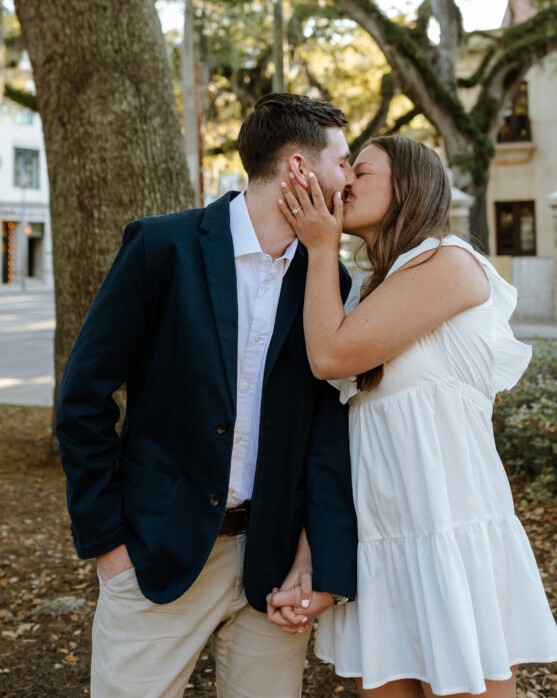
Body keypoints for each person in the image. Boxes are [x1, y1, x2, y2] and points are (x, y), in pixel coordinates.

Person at [55, 93, 358, 698]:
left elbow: (325, 433)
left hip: (271, 566)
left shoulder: (328, 278)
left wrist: (315, 561)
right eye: (343, 161)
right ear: (299, 167)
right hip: (155, 552)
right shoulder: (161, 249)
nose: (349, 179)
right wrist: (108, 547)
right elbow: (82, 398)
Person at [269, 135, 557, 698]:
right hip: (381, 544)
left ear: (408, 186)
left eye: (363, 171)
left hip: (449, 533)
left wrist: (322, 246)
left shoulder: (447, 262)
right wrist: (312, 555)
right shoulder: (359, 296)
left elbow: (329, 356)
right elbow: (341, 442)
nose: (345, 182)